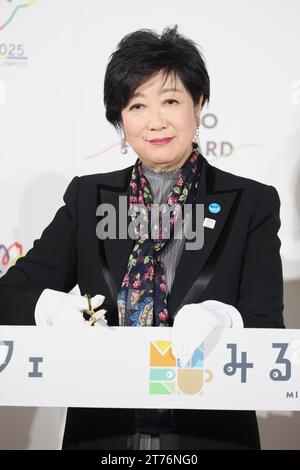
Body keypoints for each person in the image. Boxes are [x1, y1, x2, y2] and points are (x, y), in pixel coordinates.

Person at [0, 25, 284, 450]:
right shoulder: (88, 198)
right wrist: (45, 307)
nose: (155, 122)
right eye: (136, 105)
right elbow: (9, 296)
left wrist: (226, 320)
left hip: (210, 436)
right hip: (102, 436)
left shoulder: (250, 203)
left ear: (198, 103)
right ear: (120, 118)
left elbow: (267, 328)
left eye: (170, 101)